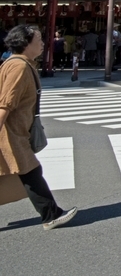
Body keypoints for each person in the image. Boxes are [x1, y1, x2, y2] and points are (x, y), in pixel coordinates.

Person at [0, 25, 78, 230]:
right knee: (31, 171)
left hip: (15, 131)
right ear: (25, 43)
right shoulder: (18, 67)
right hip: (10, 132)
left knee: (28, 171)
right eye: (39, 40)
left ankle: (50, 214)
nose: (43, 43)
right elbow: (5, 103)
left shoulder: (16, 63)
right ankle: (51, 215)